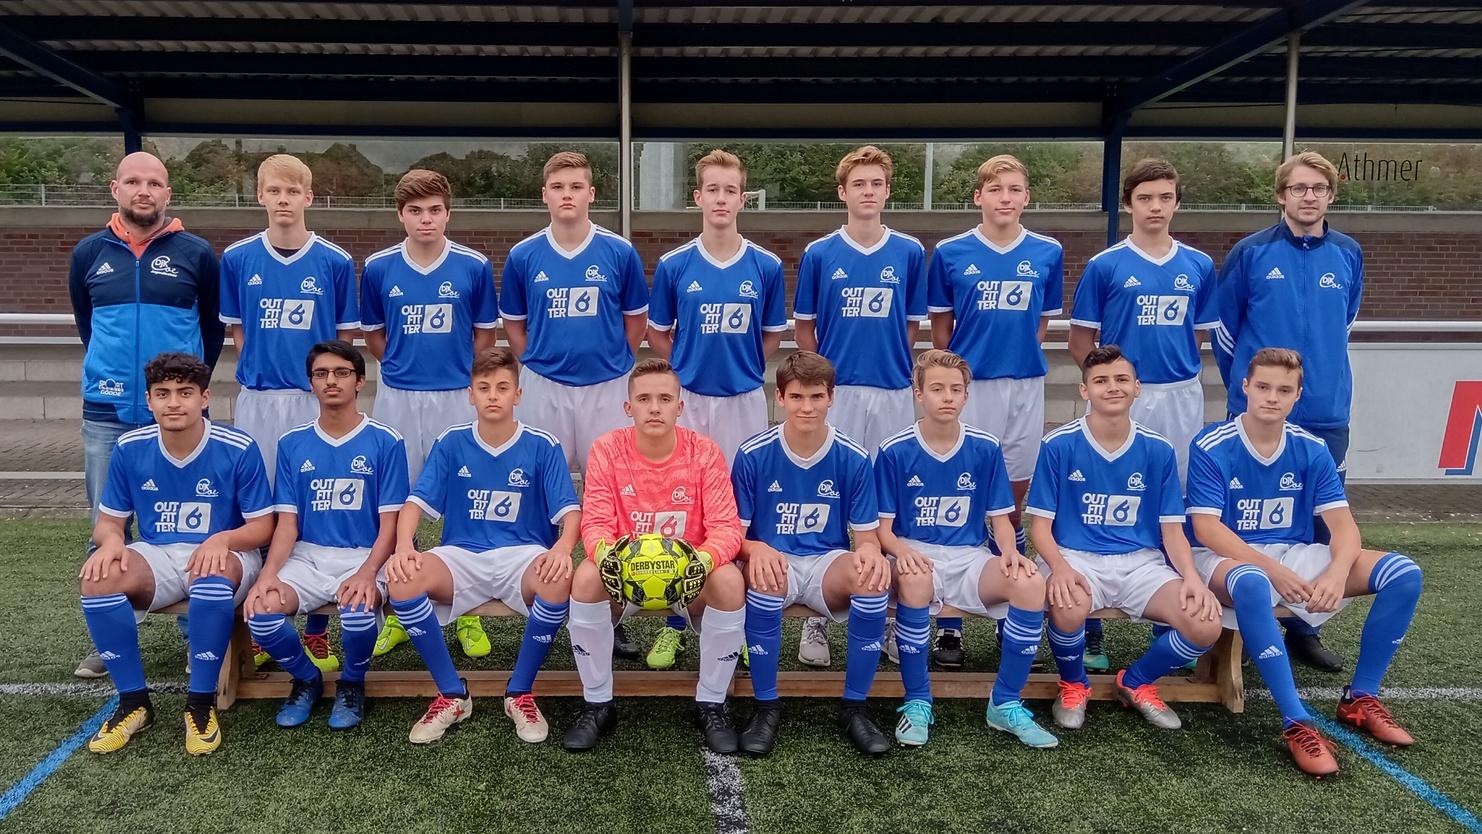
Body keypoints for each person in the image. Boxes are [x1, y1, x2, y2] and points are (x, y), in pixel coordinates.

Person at [1187, 347, 1421, 776]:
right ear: (1245, 388)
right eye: (1263, 387)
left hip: (1292, 553)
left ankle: (1360, 698)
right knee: (1255, 581)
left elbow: (1345, 528)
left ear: (1297, 396)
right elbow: (1206, 529)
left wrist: (1334, 572)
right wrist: (1275, 569)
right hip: (1223, 556)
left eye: (1283, 390)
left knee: (1403, 573)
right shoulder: (1212, 443)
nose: (1271, 397)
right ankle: (1296, 721)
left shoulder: (1311, 449)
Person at [68, 151, 224, 679]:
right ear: (115, 189)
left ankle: (193, 631)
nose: (144, 190)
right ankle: (110, 635)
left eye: (154, 182)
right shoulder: (89, 253)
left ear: (168, 193)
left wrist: (185, 390)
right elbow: (86, 324)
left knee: (191, 517)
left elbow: (212, 329)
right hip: (108, 409)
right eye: (133, 181)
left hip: (176, 412)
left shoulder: (196, 253)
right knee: (105, 525)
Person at [1212, 151, 1366, 673]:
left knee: (1320, 523)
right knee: (1246, 516)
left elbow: (1342, 324)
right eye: (1298, 188)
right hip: (1257, 409)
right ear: (1281, 196)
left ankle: (1304, 624)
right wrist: (1250, 392)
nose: (1308, 196)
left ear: (1330, 195)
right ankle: (1242, 618)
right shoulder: (1251, 253)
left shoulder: (1348, 253)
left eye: (1318, 188)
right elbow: (1226, 332)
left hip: (1324, 410)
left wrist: (1314, 380)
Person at [385, 347, 582, 744]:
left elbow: (571, 513)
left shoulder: (543, 444)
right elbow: (414, 505)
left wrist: (562, 548)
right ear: (470, 394)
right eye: (484, 387)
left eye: (503, 387)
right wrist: (404, 545)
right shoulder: (452, 441)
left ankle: (519, 692)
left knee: (558, 579)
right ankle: (452, 694)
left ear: (518, 395)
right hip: (461, 555)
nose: (493, 395)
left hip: (522, 555)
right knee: (403, 580)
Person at [80, 352, 273, 755]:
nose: (173, 402)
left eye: (184, 392)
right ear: (148, 401)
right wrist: (113, 541)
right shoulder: (130, 447)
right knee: (97, 580)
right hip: (158, 553)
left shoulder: (237, 446)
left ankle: (199, 705)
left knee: (210, 580)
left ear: (204, 398)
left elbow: (262, 527)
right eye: (162, 393)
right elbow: (108, 522)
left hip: (230, 552)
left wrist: (221, 540)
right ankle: (134, 703)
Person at [500, 150, 652, 662]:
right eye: (558, 185)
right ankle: (545, 603)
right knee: (544, 494)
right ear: (545, 194)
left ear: (592, 194)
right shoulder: (524, 256)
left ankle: (612, 609)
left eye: (577, 185)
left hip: (606, 388)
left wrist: (614, 363)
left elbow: (635, 323)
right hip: (544, 387)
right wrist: (538, 364)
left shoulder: (618, 252)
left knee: (611, 497)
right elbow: (514, 327)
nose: (568, 193)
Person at [1067, 159, 1218, 671]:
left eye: (1165, 198)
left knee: (1172, 500)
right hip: (1122, 395)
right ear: (1129, 203)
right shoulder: (1106, 265)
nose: (1156, 207)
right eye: (1146, 198)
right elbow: (1082, 340)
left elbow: (1197, 335)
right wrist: (1109, 386)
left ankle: (1170, 611)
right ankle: (1090, 628)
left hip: (1179, 394)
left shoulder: (1197, 264)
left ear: (1177, 202)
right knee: (1097, 493)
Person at [1027, 346, 1222, 731]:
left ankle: (1136, 681)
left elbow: (1172, 530)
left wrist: (1193, 579)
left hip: (1140, 561)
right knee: (1067, 604)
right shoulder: (1059, 444)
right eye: (1100, 381)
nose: (1111, 388)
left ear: (1137, 388)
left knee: (1205, 622)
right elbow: (1039, 527)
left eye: (1120, 380)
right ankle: (1074, 683)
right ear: (1085, 391)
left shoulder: (1158, 449)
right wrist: (1060, 568)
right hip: (1075, 555)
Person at [645, 149, 787, 671]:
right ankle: (676, 619)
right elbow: (659, 333)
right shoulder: (675, 265)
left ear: (741, 198)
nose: (722, 199)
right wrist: (686, 367)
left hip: (743, 401)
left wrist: (740, 368)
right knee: (683, 506)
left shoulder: (765, 265)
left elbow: (771, 335)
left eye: (731, 190)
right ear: (698, 196)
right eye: (713, 190)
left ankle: (735, 618)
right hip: (690, 401)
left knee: (739, 512)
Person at [563, 358, 746, 753]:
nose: (655, 407)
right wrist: (607, 556)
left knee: (730, 580)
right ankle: (597, 701)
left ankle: (712, 701)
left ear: (681, 406)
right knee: (586, 577)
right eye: (644, 399)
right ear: (628, 407)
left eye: (665, 398)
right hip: (626, 578)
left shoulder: (705, 453)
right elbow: (594, 522)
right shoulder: (607, 450)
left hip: (689, 578)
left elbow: (727, 528)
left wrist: (704, 561)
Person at [875, 350, 1056, 748]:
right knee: (916, 580)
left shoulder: (985, 447)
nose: (948, 397)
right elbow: (883, 531)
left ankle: (1005, 703)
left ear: (966, 396)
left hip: (970, 555)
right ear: (918, 393)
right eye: (937, 388)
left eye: (956, 389)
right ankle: (918, 701)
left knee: (1027, 582)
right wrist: (901, 552)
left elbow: (1001, 520)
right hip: (914, 552)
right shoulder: (894, 449)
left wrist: (1009, 550)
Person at [221, 153, 360, 673]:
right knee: (262, 510)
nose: (283, 201)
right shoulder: (236, 259)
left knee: (320, 507)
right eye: (273, 192)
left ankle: (320, 629)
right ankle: (263, 613)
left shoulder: (334, 261)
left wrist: (324, 388)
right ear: (260, 196)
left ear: (308, 197)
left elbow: (342, 342)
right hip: (259, 399)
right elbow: (238, 334)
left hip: (313, 400)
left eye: (292, 192)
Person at [924, 153, 1064, 668]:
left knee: (1014, 499)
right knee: (959, 493)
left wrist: (1015, 361)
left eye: (1015, 189)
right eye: (995, 189)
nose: (1006, 197)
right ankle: (951, 625)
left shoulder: (1047, 251)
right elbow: (943, 331)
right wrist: (957, 380)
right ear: (978, 196)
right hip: (972, 387)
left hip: (1024, 385)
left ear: (1026, 197)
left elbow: (1040, 326)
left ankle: (1011, 609)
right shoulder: (951, 252)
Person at [793, 145, 926, 668]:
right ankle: (817, 621)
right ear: (842, 192)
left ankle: (892, 617)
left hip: (891, 389)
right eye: (859, 184)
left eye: (877, 183)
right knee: (825, 496)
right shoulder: (821, 253)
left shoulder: (910, 251)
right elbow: (805, 329)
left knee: (891, 505)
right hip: (838, 393)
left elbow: (911, 325)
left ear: (887, 191)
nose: (868, 191)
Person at [360, 168, 500, 661]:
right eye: (415, 211)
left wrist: (461, 373)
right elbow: (376, 337)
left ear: (448, 213)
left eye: (435, 210)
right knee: (399, 498)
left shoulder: (473, 265)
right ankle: (403, 608)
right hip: (398, 395)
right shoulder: (378, 268)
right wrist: (400, 364)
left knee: (461, 492)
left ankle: (463, 611)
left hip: (454, 395)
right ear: (400, 215)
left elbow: (483, 336)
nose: (426, 220)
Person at [242, 340, 408, 731]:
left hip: (367, 553)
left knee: (357, 613)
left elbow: (391, 526)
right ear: (311, 383)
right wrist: (267, 575)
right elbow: (287, 524)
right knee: (262, 612)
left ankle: (352, 684)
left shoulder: (386, 440)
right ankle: (306, 679)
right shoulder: (291, 442)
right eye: (321, 374)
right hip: (309, 556)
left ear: (359, 381)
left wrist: (368, 573)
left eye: (341, 373)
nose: (330, 381)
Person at [733, 351, 892, 756]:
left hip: (826, 561)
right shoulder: (753, 454)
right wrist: (759, 548)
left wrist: (871, 553)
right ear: (781, 398)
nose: (808, 407)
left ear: (831, 398)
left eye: (817, 397)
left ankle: (855, 706)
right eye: (798, 397)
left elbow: (867, 537)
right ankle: (766, 705)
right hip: (775, 558)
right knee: (764, 577)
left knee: (872, 579)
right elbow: (734, 537)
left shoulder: (853, 457)